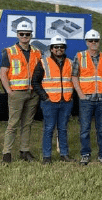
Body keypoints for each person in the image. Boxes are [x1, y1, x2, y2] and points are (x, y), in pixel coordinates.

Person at [0, 20, 41, 163]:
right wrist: (9, 91)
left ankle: (24, 151)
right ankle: (7, 153)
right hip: (17, 93)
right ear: (17, 35)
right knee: (13, 124)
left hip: (32, 93)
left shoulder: (37, 52)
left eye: (27, 34)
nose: (24, 36)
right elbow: (3, 73)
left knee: (27, 124)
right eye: (22, 34)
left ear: (31, 35)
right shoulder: (10, 52)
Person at [31, 35, 75, 164]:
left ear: (64, 48)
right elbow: (35, 82)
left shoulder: (70, 63)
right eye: (56, 47)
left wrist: (71, 97)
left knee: (63, 129)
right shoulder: (44, 62)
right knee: (49, 129)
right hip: (50, 103)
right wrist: (45, 97)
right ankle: (47, 157)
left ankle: (64, 154)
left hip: (66, 102)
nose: (59, 49)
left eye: (61, 47)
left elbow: (74, 81)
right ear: (51, 48)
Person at [72, 29, 102, 165]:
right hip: (86, 99)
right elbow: (74, 76)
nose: (93, 43)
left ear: (99, 42)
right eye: (91, 41)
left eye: (96, 40)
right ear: (86, 42)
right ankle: (85, 154)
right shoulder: (80, 56)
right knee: (84, 129)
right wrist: (80, 94)